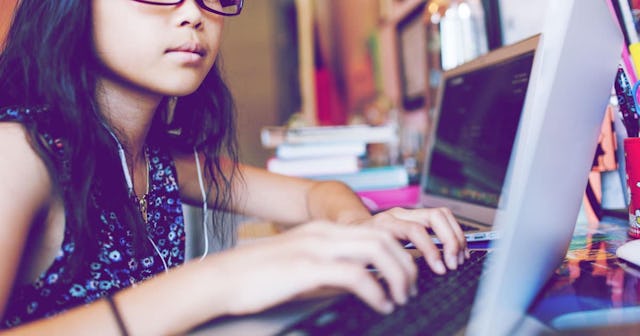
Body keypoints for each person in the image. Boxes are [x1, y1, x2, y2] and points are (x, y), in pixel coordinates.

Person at [0, 0, 468, 334]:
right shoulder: (20, 152)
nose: (193, 14)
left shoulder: (163, 162)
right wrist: (218, 281)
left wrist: (356, 231)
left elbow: (312, 194)